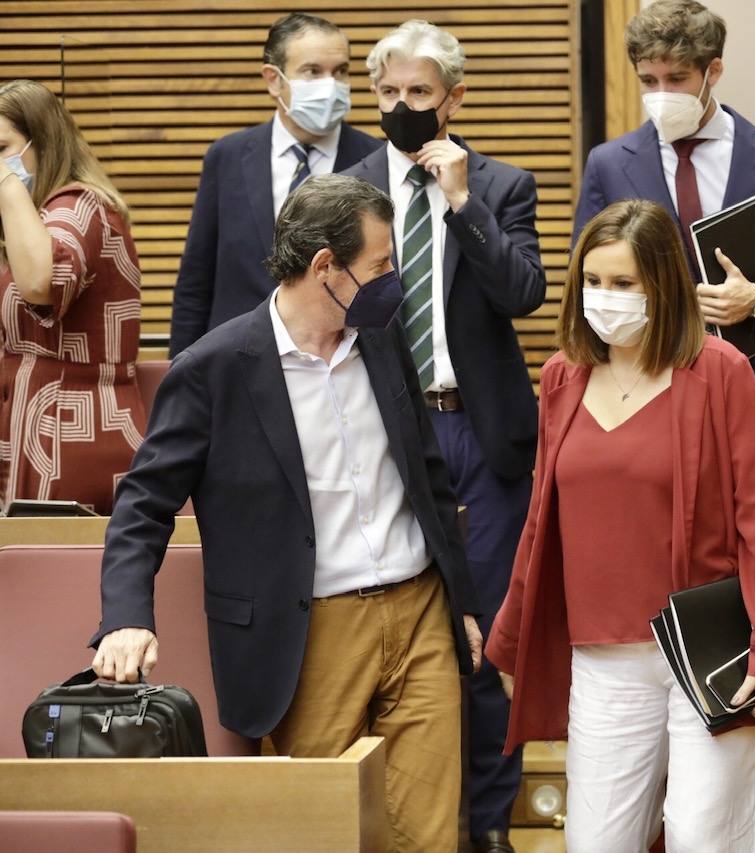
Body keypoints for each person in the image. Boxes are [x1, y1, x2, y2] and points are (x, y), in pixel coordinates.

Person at [90, 175, 482, 851]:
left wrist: (462, 603)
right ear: (324, 266)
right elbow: (143, 504)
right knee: (323, 833)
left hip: (419, 614)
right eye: (381, 266)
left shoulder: (383, 340)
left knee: (429, 835)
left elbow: (429, 476)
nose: (394, 280)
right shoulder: (214, 368)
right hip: (310, 634)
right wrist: (126, 615)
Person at [571, 4, 755, 846]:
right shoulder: (611, 161)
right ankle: (667, 789)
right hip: (650, 414)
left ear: (714, 72)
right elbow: (595, 285)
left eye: (677, 80)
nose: (662, 95)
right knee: (668, 605)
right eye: (648, 81)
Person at [486, 198, 755, 853]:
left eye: (623, 284)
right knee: (596, 842)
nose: (603, 297)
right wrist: (514, 634)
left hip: (714, 650)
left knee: (706, 839)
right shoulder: (563, 377)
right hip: (604, 655)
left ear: (662, 284)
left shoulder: (721, 372)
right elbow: (541, 521)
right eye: (593, 281)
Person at [341, 20, 546, 853]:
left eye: (418, 94)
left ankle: (490, 820)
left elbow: (524, 293)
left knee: (492, 636)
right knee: (411, 629)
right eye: (387, 93)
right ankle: (412, 816)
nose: (400, 107)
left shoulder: (500, 185)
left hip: (482, 434)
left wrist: (461, 204)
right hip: (390, 436)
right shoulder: (348, 191)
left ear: (454, 100)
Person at [168, 12, 381, 356]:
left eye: (340, 72)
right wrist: (180, 374)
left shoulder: (375, 158)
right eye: (313, 71)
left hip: (341, 361)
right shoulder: (228, 157)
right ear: (273, 79)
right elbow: (196, 280)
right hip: (236, 359)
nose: (330, 85)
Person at [0, 79, 145, 513]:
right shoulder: (27, 217)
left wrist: (7, 184)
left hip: (67, 431)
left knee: (55, 573)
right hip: (27, 424)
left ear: (41, 143)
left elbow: (42, 284)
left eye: (2, 147)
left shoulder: (81, 205)